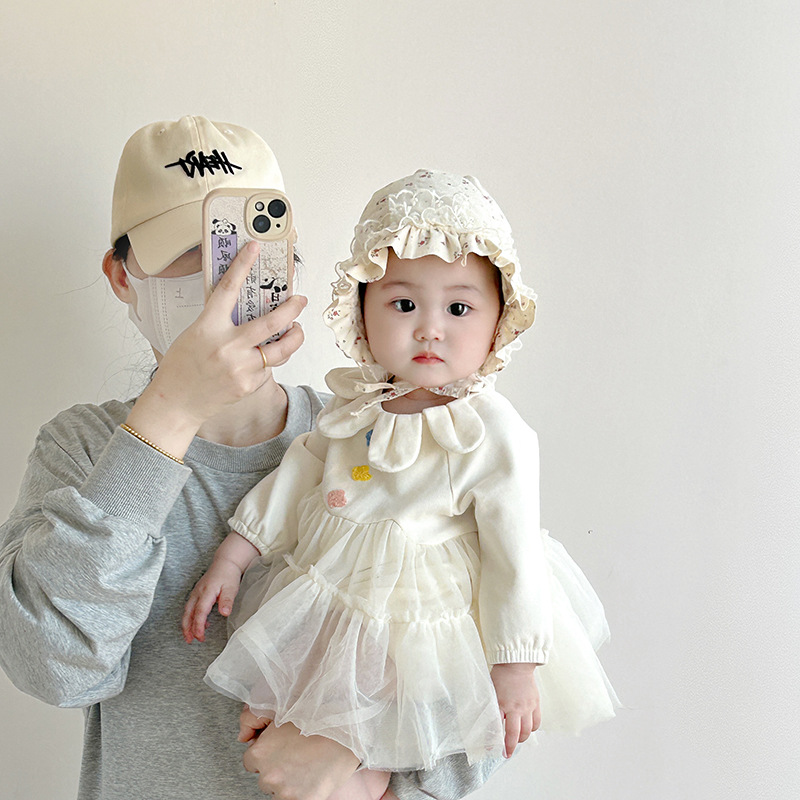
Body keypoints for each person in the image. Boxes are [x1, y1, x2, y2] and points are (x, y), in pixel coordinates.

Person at [0, 120, 499, 800]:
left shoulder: (381, 439)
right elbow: (55, 668)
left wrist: (361, 762)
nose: (222, 279)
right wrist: (170, 413)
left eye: (243, 250)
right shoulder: (85, 449)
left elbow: (490, 697)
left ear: (290, 266)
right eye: (190, 252)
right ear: (121, 277)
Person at [184, 169, 619, 800]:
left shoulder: (492, 430)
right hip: (334, 592)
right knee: (288, 701)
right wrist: (235, 554)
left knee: (376, 712)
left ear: (499, 322)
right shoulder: (355, 409)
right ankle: (319, 749)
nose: (430, 328)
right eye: (404, 304)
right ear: (361, 313)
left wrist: (515, 663)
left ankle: (359, 768)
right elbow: (299, 473)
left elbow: (514, 552)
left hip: (421, 610)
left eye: (459, 308)